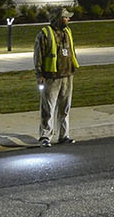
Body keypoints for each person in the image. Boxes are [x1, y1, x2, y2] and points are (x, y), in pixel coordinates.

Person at [34, 8, 78, 146]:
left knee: (65, 108)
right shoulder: (44, 34)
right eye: (66, 17)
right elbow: (38, 55)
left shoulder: (67, 32)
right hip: (51, 77)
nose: (68, 19)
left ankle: (63, 135)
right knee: (48, 108)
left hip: (67, 75)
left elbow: (71, 51)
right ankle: (45, 136)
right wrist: (39, 74)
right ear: (59, 18)